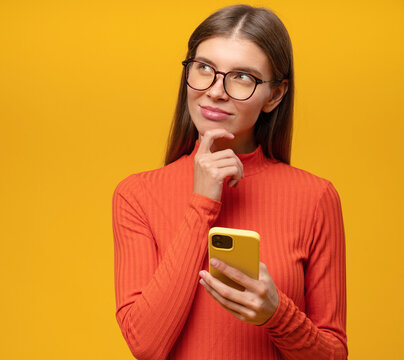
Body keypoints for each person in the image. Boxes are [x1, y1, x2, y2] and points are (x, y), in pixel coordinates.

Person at [112, 4, 347, 360]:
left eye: (242, 77)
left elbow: (334, 354)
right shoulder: (136, 195)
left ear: (275, 95)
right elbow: (146, 346)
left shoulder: (315, 198)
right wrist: (202, 204)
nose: (216, 91)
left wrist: (276, 314)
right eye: (204, 68)